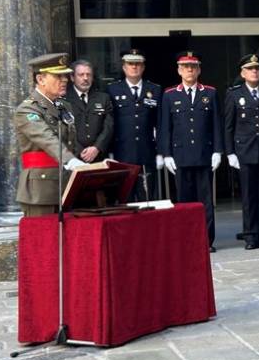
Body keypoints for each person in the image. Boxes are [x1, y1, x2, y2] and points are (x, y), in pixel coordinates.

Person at [158, 52, 223, 251]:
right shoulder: (170, 95)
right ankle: (187, 240)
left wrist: (218, 151)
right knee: (184, 202)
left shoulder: (210, 93)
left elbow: (216, 125)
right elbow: (165, 128)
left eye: (193, 67)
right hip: (181, 157)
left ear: (199, 70)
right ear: (179, 70)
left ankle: (206, 240)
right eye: (185, 67)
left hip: (204, 155)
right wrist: (166, 154)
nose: (189, 70)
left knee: (206, 203)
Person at [224, 54, 259, 250]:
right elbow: (229, 127)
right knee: (249, 197)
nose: (254, 72)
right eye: (250, 69)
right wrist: (230, 152)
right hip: (245, 152)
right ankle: (250, 236)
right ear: (243, 72)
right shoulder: (234, 94)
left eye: (257, 68)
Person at [14, 54, 82, 218]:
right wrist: (71, 161)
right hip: (41, 189)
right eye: (58, 76)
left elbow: (71, 142)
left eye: (65, 75)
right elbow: (46, 139)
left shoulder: (64, 106)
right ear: (41, 79)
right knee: (43, 240)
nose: (64, 79)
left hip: (66, 183)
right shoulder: (27, 110)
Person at [107, 49, 163, 201]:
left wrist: (160, 152)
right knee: (126, 200)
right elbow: (110, 123)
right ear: (124, 67)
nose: (134, 67)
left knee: (148, 199)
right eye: (130, 64)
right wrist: (110, 151)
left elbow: (160, 123)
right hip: (122, 154)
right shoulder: (112, 90)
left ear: (143, 67)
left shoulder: (155, 90)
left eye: (138, 64)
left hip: (147, 153)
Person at [66, 59, 114, 163]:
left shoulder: (103, 98)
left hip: (99, 157)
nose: (85, 78)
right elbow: (64, 129)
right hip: (73, 158)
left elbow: (108, 126)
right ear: (72, 77)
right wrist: (80, 151)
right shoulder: (64, 99)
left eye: (89, 75)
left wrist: (97, 147)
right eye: (81, 75)